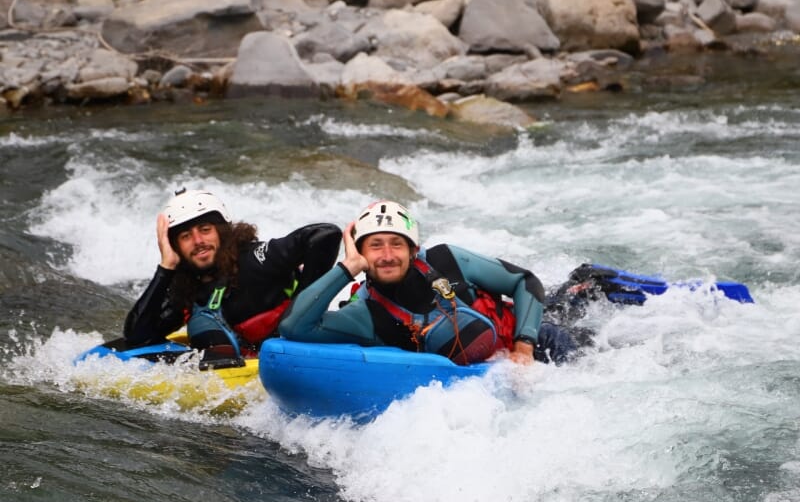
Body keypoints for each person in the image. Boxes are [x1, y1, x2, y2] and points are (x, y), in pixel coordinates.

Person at [279, 199, 585, 366]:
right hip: (489, 372)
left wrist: (524, 347)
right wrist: (347, 267)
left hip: (539, 340)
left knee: (592, 339)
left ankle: (587, 284)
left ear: (413, 250)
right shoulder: (366, 315)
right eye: (375, 246)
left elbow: (525, 281)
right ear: (361, 252)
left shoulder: (446, 260)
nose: (387, 255)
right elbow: (294, 328)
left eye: (396, 244)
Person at [123, 188, 342, 363]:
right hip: (240, 368)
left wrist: (301, 309)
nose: (198, 241)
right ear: (176, 246)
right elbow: (137, 337)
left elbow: (325, 235)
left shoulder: (254, 259)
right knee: (200, 323)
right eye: (186, 236)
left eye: (205, 229)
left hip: (294, 353)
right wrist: (166, 267)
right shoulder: (185, 287)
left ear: (221, 231)